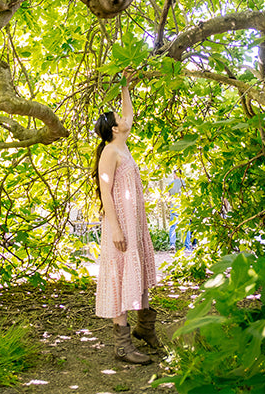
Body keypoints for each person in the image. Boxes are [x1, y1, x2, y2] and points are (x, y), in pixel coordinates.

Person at [92, 69, 161, 365]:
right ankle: (122, 345)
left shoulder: (122, 143)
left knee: (139, 273)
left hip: (134, 222)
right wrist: (117, 229)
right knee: (119, 278)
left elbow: (129, 112)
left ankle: (144, 328)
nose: (124, 119)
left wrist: (124, 85)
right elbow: (105, 192)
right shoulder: (110, 151)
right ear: (113, 128)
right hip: (119, 224)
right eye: (118, 118)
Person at [168, 171, 192, 252]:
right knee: (186, 226)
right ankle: (187, 247)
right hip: (184, 207)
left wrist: (170, 206)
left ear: (175, 174)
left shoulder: (170, 184)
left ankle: (172, 244)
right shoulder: (185, 183)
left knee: (173, 226)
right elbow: (189, 196)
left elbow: (168, 197)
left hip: (174, 207)